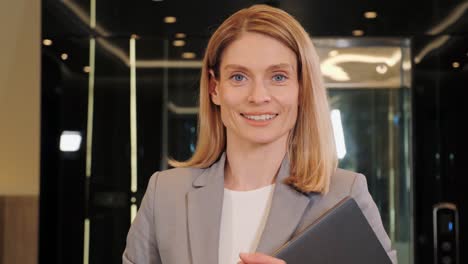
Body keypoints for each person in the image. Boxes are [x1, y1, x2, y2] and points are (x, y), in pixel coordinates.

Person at [123, 4, 397, 264]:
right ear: (214, 88)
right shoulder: (165, 193)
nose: (258, 96)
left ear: (302, 88)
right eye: (239, 77)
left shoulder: (343, 194)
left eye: (278, 77)